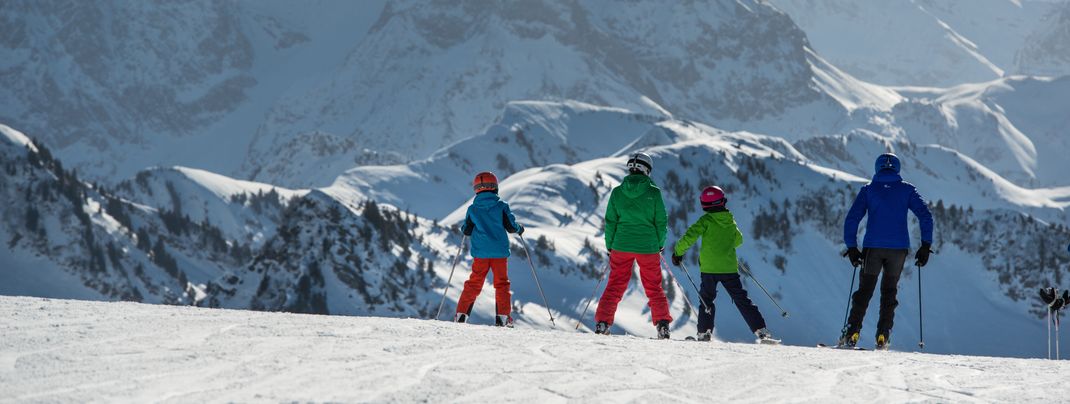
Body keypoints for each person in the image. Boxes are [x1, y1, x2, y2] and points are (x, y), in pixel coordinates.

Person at [840, 153, 934, 349]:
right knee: (889, 292)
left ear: (877, 168)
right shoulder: (907, 190)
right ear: (897, 168)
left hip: (873, 248)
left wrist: (852, 247)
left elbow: (852, 218)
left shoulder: (868, 190)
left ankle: (852, 333)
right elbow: (925, 215)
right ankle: (883, 335)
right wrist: (925, 245)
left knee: (864, 291)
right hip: (898, 250)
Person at [672, 186, 776, 343]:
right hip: (729, 268)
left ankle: (704, 333)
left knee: (707, 300)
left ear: (704, 204)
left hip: (709, 269)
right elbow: (739, 240)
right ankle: (761, 330)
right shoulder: (730, 221)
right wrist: (725, 245)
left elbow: (690, 236)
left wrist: (678, 252)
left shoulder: (705, 220)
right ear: (722, 201)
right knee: (741, 299)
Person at [594, 152, 673, 339]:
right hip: (648, 246)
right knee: (653, 287)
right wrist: (659, 244)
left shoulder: (617, 192)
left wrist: (610, 246)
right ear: (647, 170)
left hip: (621, 245)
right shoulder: (654, 193)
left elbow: (610, 222)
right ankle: (662, 325)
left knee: (614, 285)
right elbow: (661, 222)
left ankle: (603, 323)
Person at [455, 171, 524, 327]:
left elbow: (466, 230)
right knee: (502, 284)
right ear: (495, 187)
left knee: (474, 283)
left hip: (481, 254)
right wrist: (520, 228)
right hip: (499, 253)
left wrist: (468, 227)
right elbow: (511, 227)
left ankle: (461, 315)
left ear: (476, 189)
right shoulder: (501, 206)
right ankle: (503, 318)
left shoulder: (472, 209)